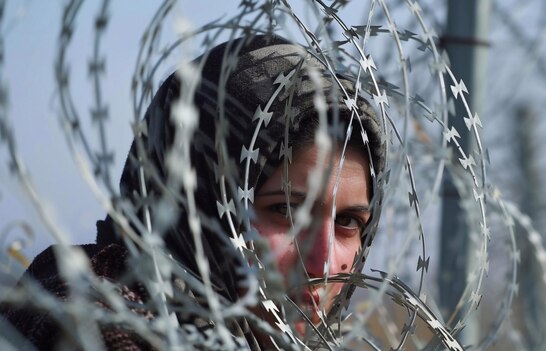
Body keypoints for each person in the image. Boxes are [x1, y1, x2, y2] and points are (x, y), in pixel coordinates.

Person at [0, 35, 385, 349]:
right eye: (286, 209)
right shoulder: (92, 328)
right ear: (194, 198)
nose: (321, 263)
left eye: (349, 221)